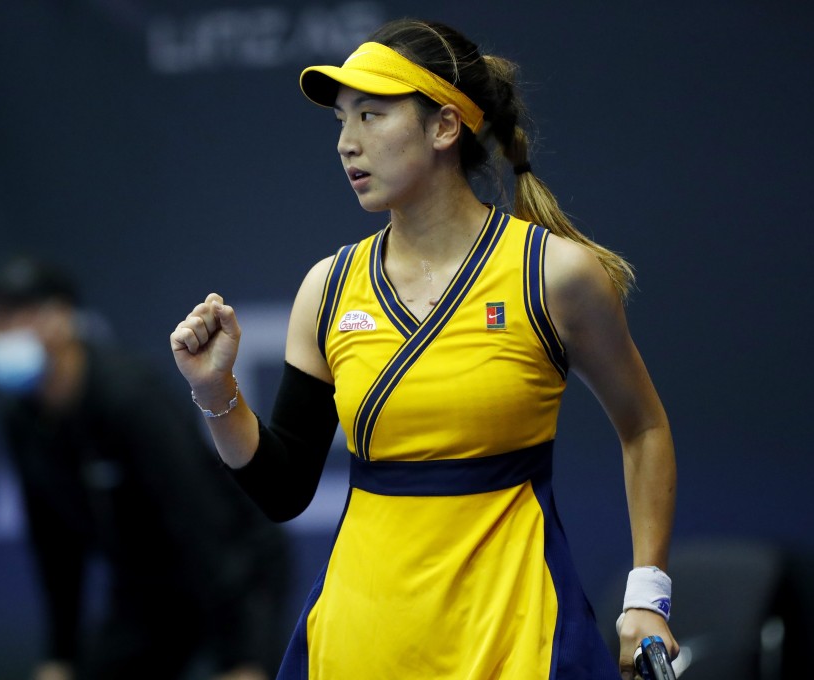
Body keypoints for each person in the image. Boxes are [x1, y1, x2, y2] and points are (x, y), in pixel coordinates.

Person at [170, 17, 677, 680]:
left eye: (372, 116)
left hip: (514, 634)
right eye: (341, 123)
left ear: (444, 127)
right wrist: (216, 392)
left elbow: (644, 428)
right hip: (359, 641)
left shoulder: (554, 275)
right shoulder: (326, 289)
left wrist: (648, 595)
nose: (347, 144)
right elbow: (284, 488)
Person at [0, 254, 292, 680]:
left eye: (10, 315)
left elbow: (202, 520)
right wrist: (59, 658)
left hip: (235, 571)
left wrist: (244, 657)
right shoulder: (19, 420)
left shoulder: (129, 398)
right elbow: (53, 545)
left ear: (59, 319)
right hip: (145, 589)